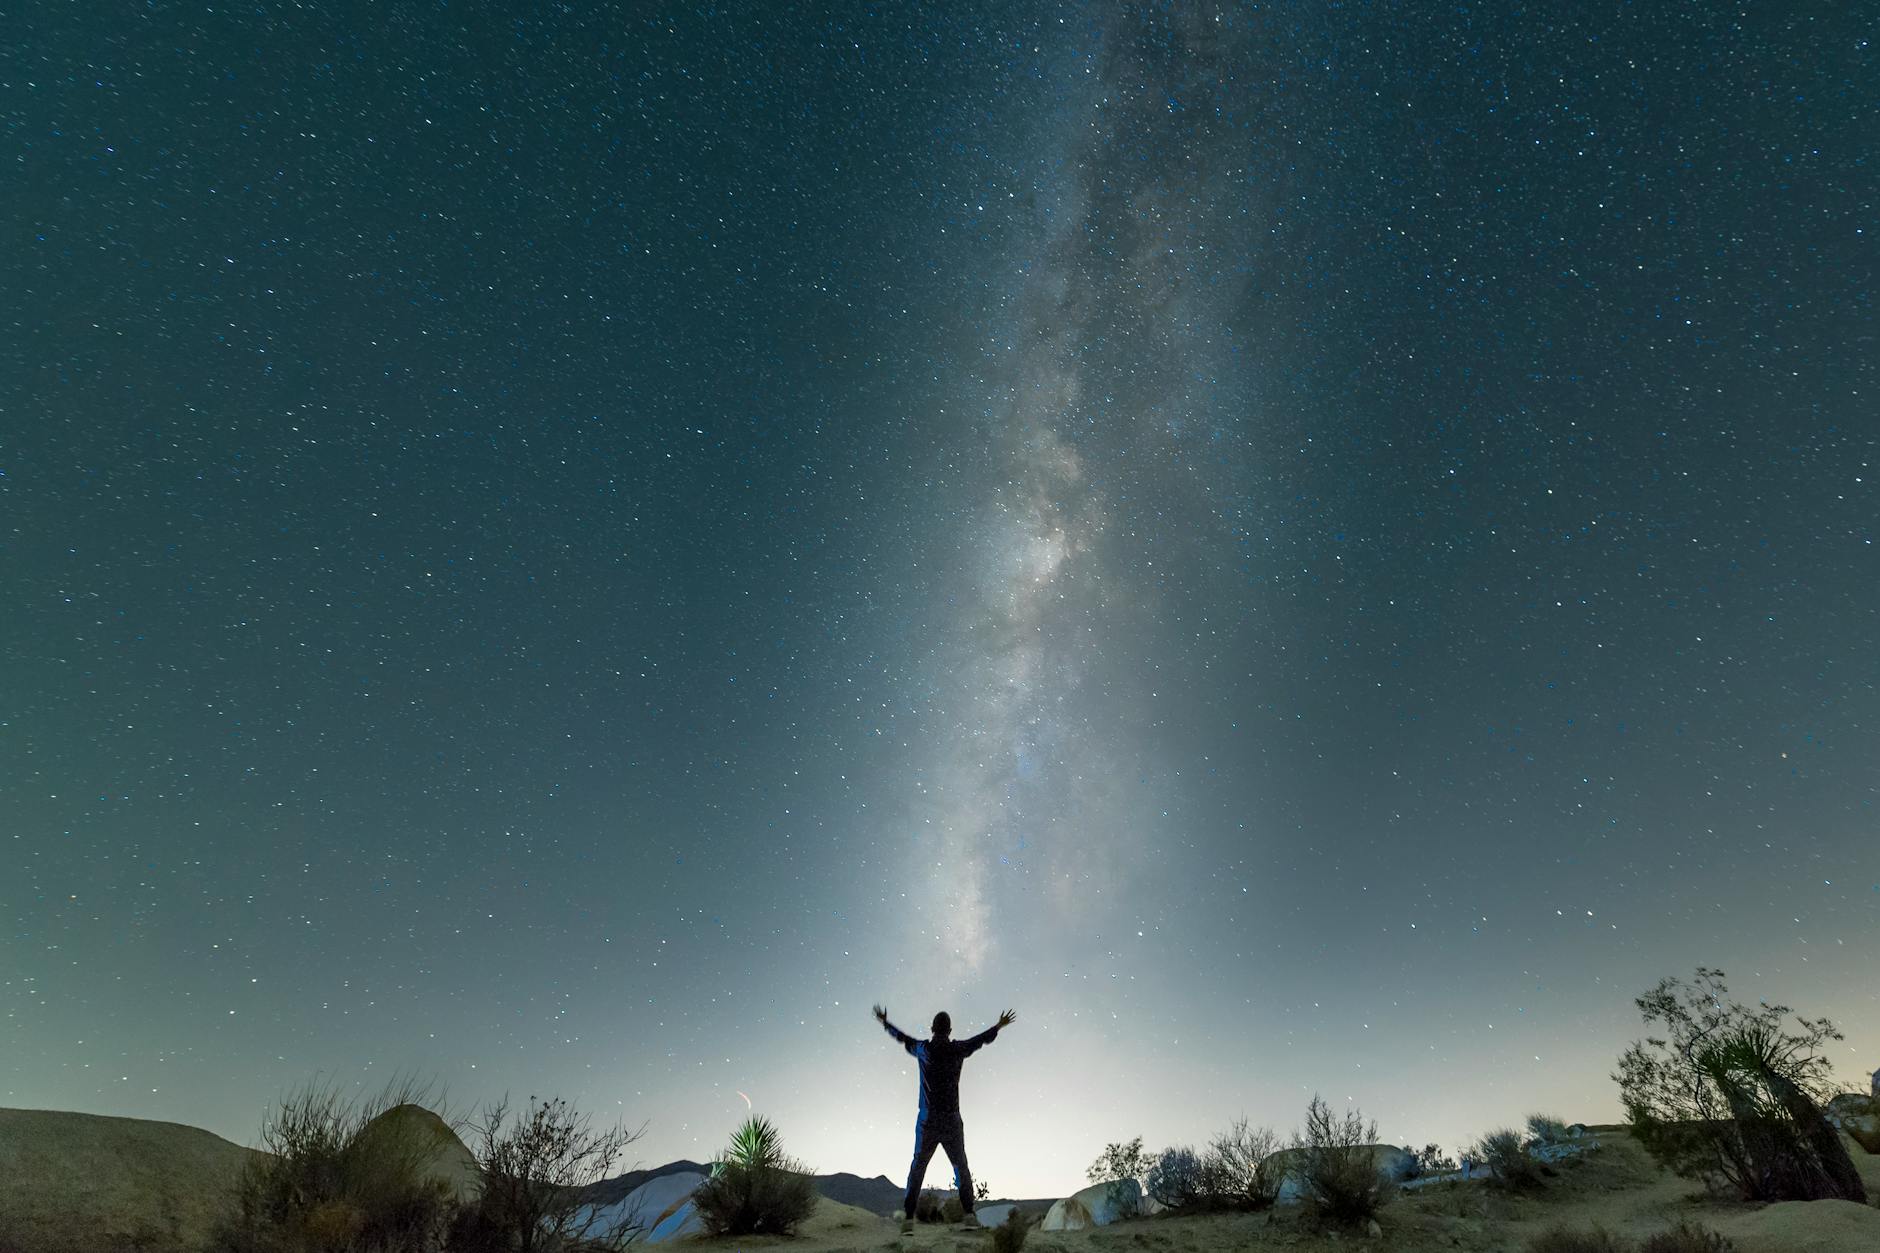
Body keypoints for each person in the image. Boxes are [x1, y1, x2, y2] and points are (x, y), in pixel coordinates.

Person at [874, 1003, 1016, 1234]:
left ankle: (909, 1219)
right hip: (951, 1119)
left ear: (932, 1028)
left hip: (927, 1119)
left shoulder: (923, 1049)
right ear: (950, 1031)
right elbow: (980, 1040)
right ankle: (969, 1215)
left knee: (918, 1166)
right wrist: (998, 1026)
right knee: (960, 1165)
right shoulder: (958, 1049)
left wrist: (885, 1023)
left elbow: (901, 1038)